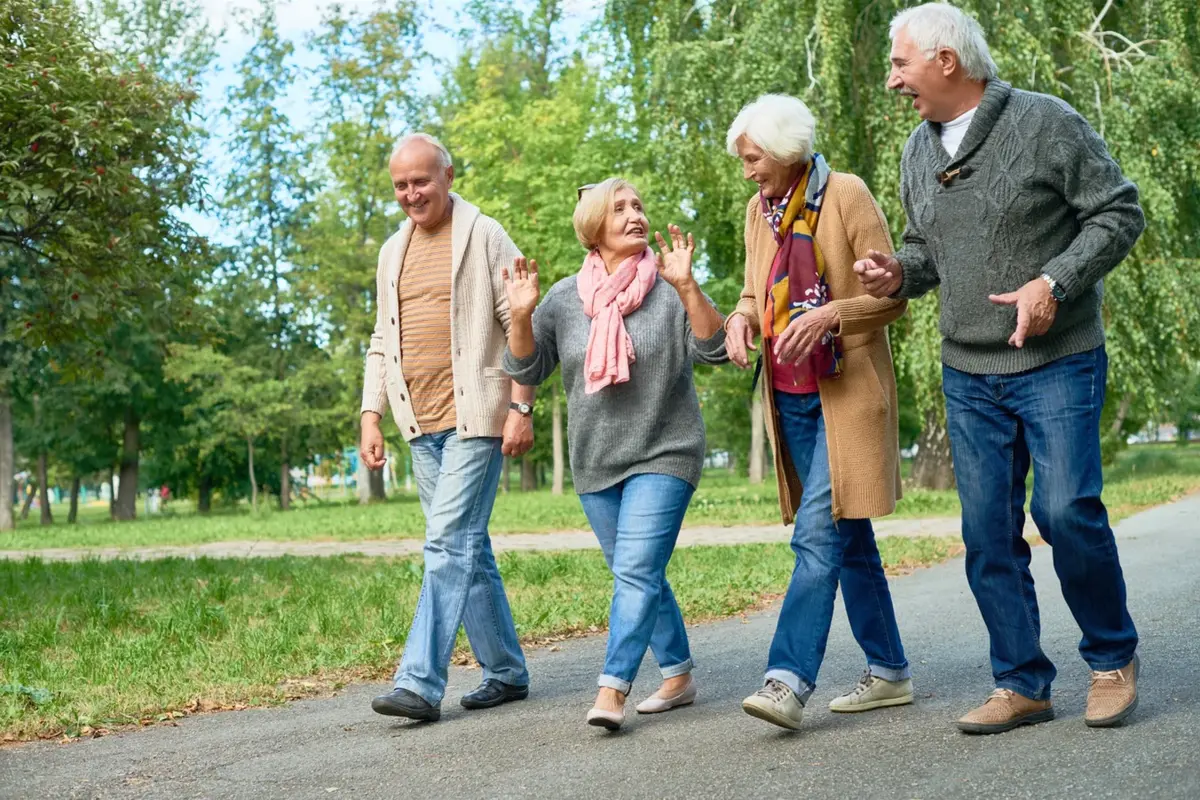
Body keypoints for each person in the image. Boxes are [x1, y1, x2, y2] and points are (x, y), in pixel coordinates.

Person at [857, 3, 1143, 734]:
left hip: (1057, 359)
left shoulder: (1046, 122)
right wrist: (899, 273)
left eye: (900, 64)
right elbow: (929, 255)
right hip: (969, 369)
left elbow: (1117, 212)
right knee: (987, 533)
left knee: (1066, 512)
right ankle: (1021, 682)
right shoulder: (917, 152)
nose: (893, 80)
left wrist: (1055, 283)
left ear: (946, 62)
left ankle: (1112, 658)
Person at [502, 178, 727, 730]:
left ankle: (612, 688)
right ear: (593, 228)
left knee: (634, 570)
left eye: (639, 206)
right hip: (596, 459)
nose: (635, 215)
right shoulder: (561, 299)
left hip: (666, 450)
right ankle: (677, 676)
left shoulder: (670, 284)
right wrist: (523, 318)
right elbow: (528, 370)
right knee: (639, 573)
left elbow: (716, 349)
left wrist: (690, 288)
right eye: (620, 208)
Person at [723, 95, 913, 731]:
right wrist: (741, 318)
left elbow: (893, 297)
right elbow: (755, 291)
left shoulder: (847, 194)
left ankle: (786, 679)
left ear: (784, 151)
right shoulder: (759, 211)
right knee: (847, 535)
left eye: (753, 158)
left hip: (847, 396)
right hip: (791, 399)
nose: (747, 171)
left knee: (815, 537)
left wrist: (834, 312)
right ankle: (889, 671)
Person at [363, 133, 538, 723]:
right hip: (421, 423)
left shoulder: (484, 234)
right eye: (401, 185)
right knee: (469, 548)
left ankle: (418, 681)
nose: (412, 193)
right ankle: (507, 671)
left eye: (421, 181)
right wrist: (371, 414)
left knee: (445, 544)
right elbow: (382, 341)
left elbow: (520, 322)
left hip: (475, 419)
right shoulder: (392, 251)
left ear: (447, 175)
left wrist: (522, 407)